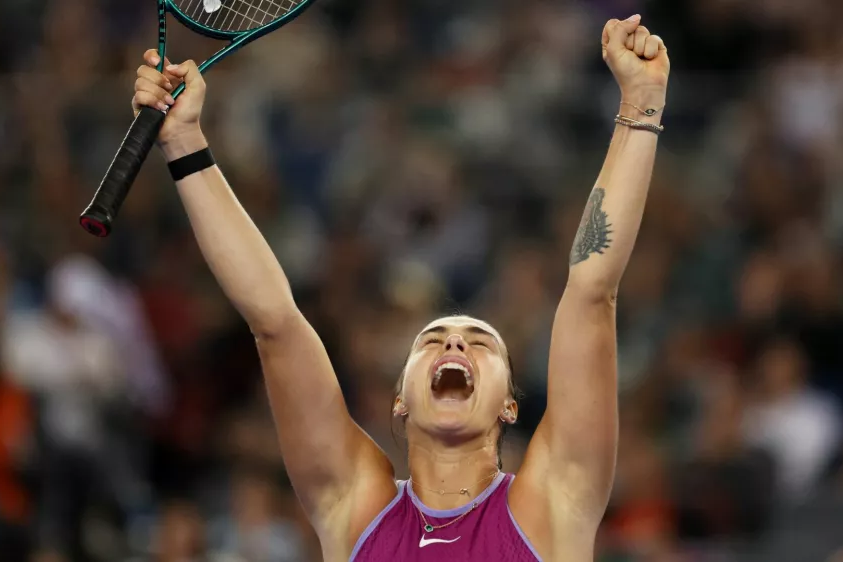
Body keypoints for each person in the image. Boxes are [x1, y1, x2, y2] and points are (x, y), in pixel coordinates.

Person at [129, 13, 669, 561]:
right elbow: (274, 321)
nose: (454, 344)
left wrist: (642, 104)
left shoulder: (554, 502)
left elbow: (591, 290)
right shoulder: (352, 504)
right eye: (431, 341)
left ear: (509, 404)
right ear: (399, 399)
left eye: (480, 343)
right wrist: (184, 141)